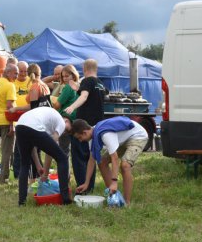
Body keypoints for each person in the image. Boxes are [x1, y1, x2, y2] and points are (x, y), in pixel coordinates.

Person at [72, 117, 148, 205]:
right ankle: (114, 196)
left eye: (80, 137)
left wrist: (114, 181)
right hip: (123, 140)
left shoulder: (105, 134)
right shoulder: (92, 136)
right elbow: (91, 160)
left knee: (125, 166)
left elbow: (114, 158)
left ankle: (126, 202)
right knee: (102, 162)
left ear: (85, 132)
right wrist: (86, 183)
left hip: (137, 136)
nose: (80, 141)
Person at [15, 107, 72, 206]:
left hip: (20, 125)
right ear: (66, 120)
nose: (64, 132)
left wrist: (38, 166)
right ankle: (65, 199)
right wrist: (45, 175)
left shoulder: (48, 121)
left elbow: (31, 146)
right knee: (62, 158)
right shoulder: (61, 123)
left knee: (24, 164)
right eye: (66, 130)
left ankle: (22, 202)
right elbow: (50, 152)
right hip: (32, 125)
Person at [64, 59, 106, 193]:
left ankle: (82, 186)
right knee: (91, 157)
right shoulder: (100, 84)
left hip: (83, 127)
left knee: (79, 157)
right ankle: (90, 186)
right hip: (96, 127)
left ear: (84, 68)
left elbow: (84, 96)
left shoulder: (87, 81)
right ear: (96, 69)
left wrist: (72, 106)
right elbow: (95, 96)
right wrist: (78, 88)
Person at [53, 64, 80, 185]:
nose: (64, 78)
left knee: (63, 152)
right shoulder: (79, 87)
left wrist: (53, 102)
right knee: (73, 152)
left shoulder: (68, 88)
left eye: (67, 76)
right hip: (76, 120)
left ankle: (64, 181)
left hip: (65, 120)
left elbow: (58, 104)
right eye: (63, 76)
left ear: (73, 75)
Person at [11, 61, 31, 181]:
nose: (23, 74)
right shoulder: (13, 82)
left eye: (25, 71)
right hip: (16, 119)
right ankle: (17, 173)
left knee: (30, 147)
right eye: (21, 71)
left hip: (29, 117)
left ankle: (30, 172)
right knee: (18, 147)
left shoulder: (31, 81)